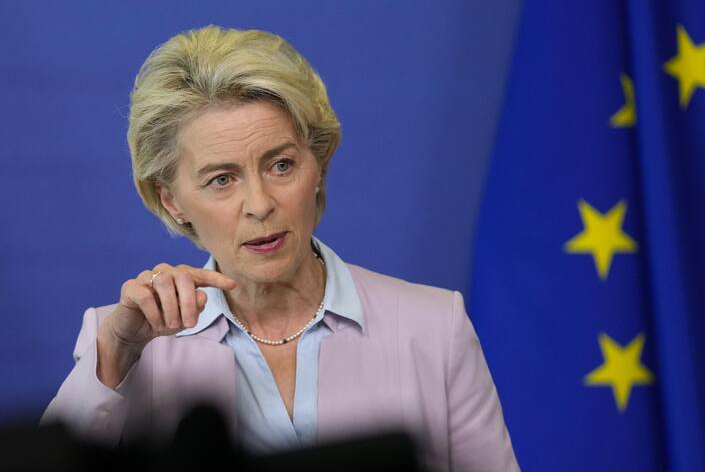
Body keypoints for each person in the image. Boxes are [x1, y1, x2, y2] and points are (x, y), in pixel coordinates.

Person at [40, 25, 518, 472]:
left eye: (281, 165)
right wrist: (117, 353)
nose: (260, 204)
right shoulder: (124, 344)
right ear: (172, 201)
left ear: (318, 164)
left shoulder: (434, 327)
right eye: (222, 179)